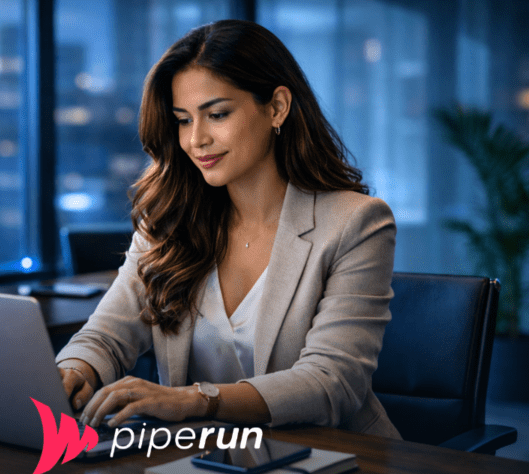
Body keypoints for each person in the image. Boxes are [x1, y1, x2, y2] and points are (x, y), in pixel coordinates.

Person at [55, 19, 401, 439]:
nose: (196, 139)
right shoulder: (170, 220)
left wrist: (195, 400)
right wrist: (75, 370)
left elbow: (332, 383)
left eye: (217, 114)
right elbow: (107, 335)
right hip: (202, 459)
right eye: (183, 120)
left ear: (276, 107)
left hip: (336, 463)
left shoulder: (355, 222)